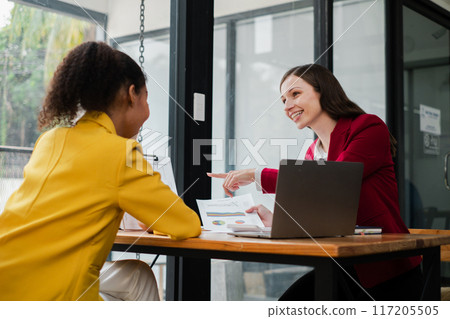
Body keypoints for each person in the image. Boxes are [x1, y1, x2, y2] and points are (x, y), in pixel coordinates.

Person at [0, 41, 201, 301]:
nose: (148, 111)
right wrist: (155, 221)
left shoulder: (49, 140)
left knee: (135, 276)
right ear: (131, 94)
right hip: (54, 297)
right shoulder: (122, 153)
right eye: (146, 99)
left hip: (8, 282)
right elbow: (187, 224)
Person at [208, 64, 423, 300]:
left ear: (324, 91)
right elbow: (319, 216)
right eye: (283, 100)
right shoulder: (313, 152)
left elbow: (332, 179)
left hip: (384, 268)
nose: (287, 106)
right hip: (343, 265)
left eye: (295, 94)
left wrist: (254, 174)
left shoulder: (368, 127)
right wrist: (276, 222)